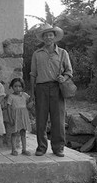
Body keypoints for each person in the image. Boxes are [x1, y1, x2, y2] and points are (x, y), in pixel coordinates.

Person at [30, 24, 72, 157]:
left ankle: (58, 147)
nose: (48, 37)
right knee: (41, 119)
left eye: (50, 35)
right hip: (41, 88)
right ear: (43, 38)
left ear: (54, 37)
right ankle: (41, 147)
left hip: (57, 88)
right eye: (46, 35)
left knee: (58, 120)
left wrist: (63, 78)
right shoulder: (37, 54)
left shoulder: (63, 53)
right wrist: (32, 93)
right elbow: (33, 74)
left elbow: (69, 71)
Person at [7, 78, 33, 156]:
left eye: (19, 86)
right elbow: (8, 108)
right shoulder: (11, 96)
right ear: (12, 87)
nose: (18, 88)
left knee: (23, 132)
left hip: (23, 116)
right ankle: (13, 149)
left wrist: (32, 102)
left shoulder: (24, 95)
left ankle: (24, 149)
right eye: (15, 86)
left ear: (22, 87)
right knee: (14, 133)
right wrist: (10, 118)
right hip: (15, 116)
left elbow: (30, 101)